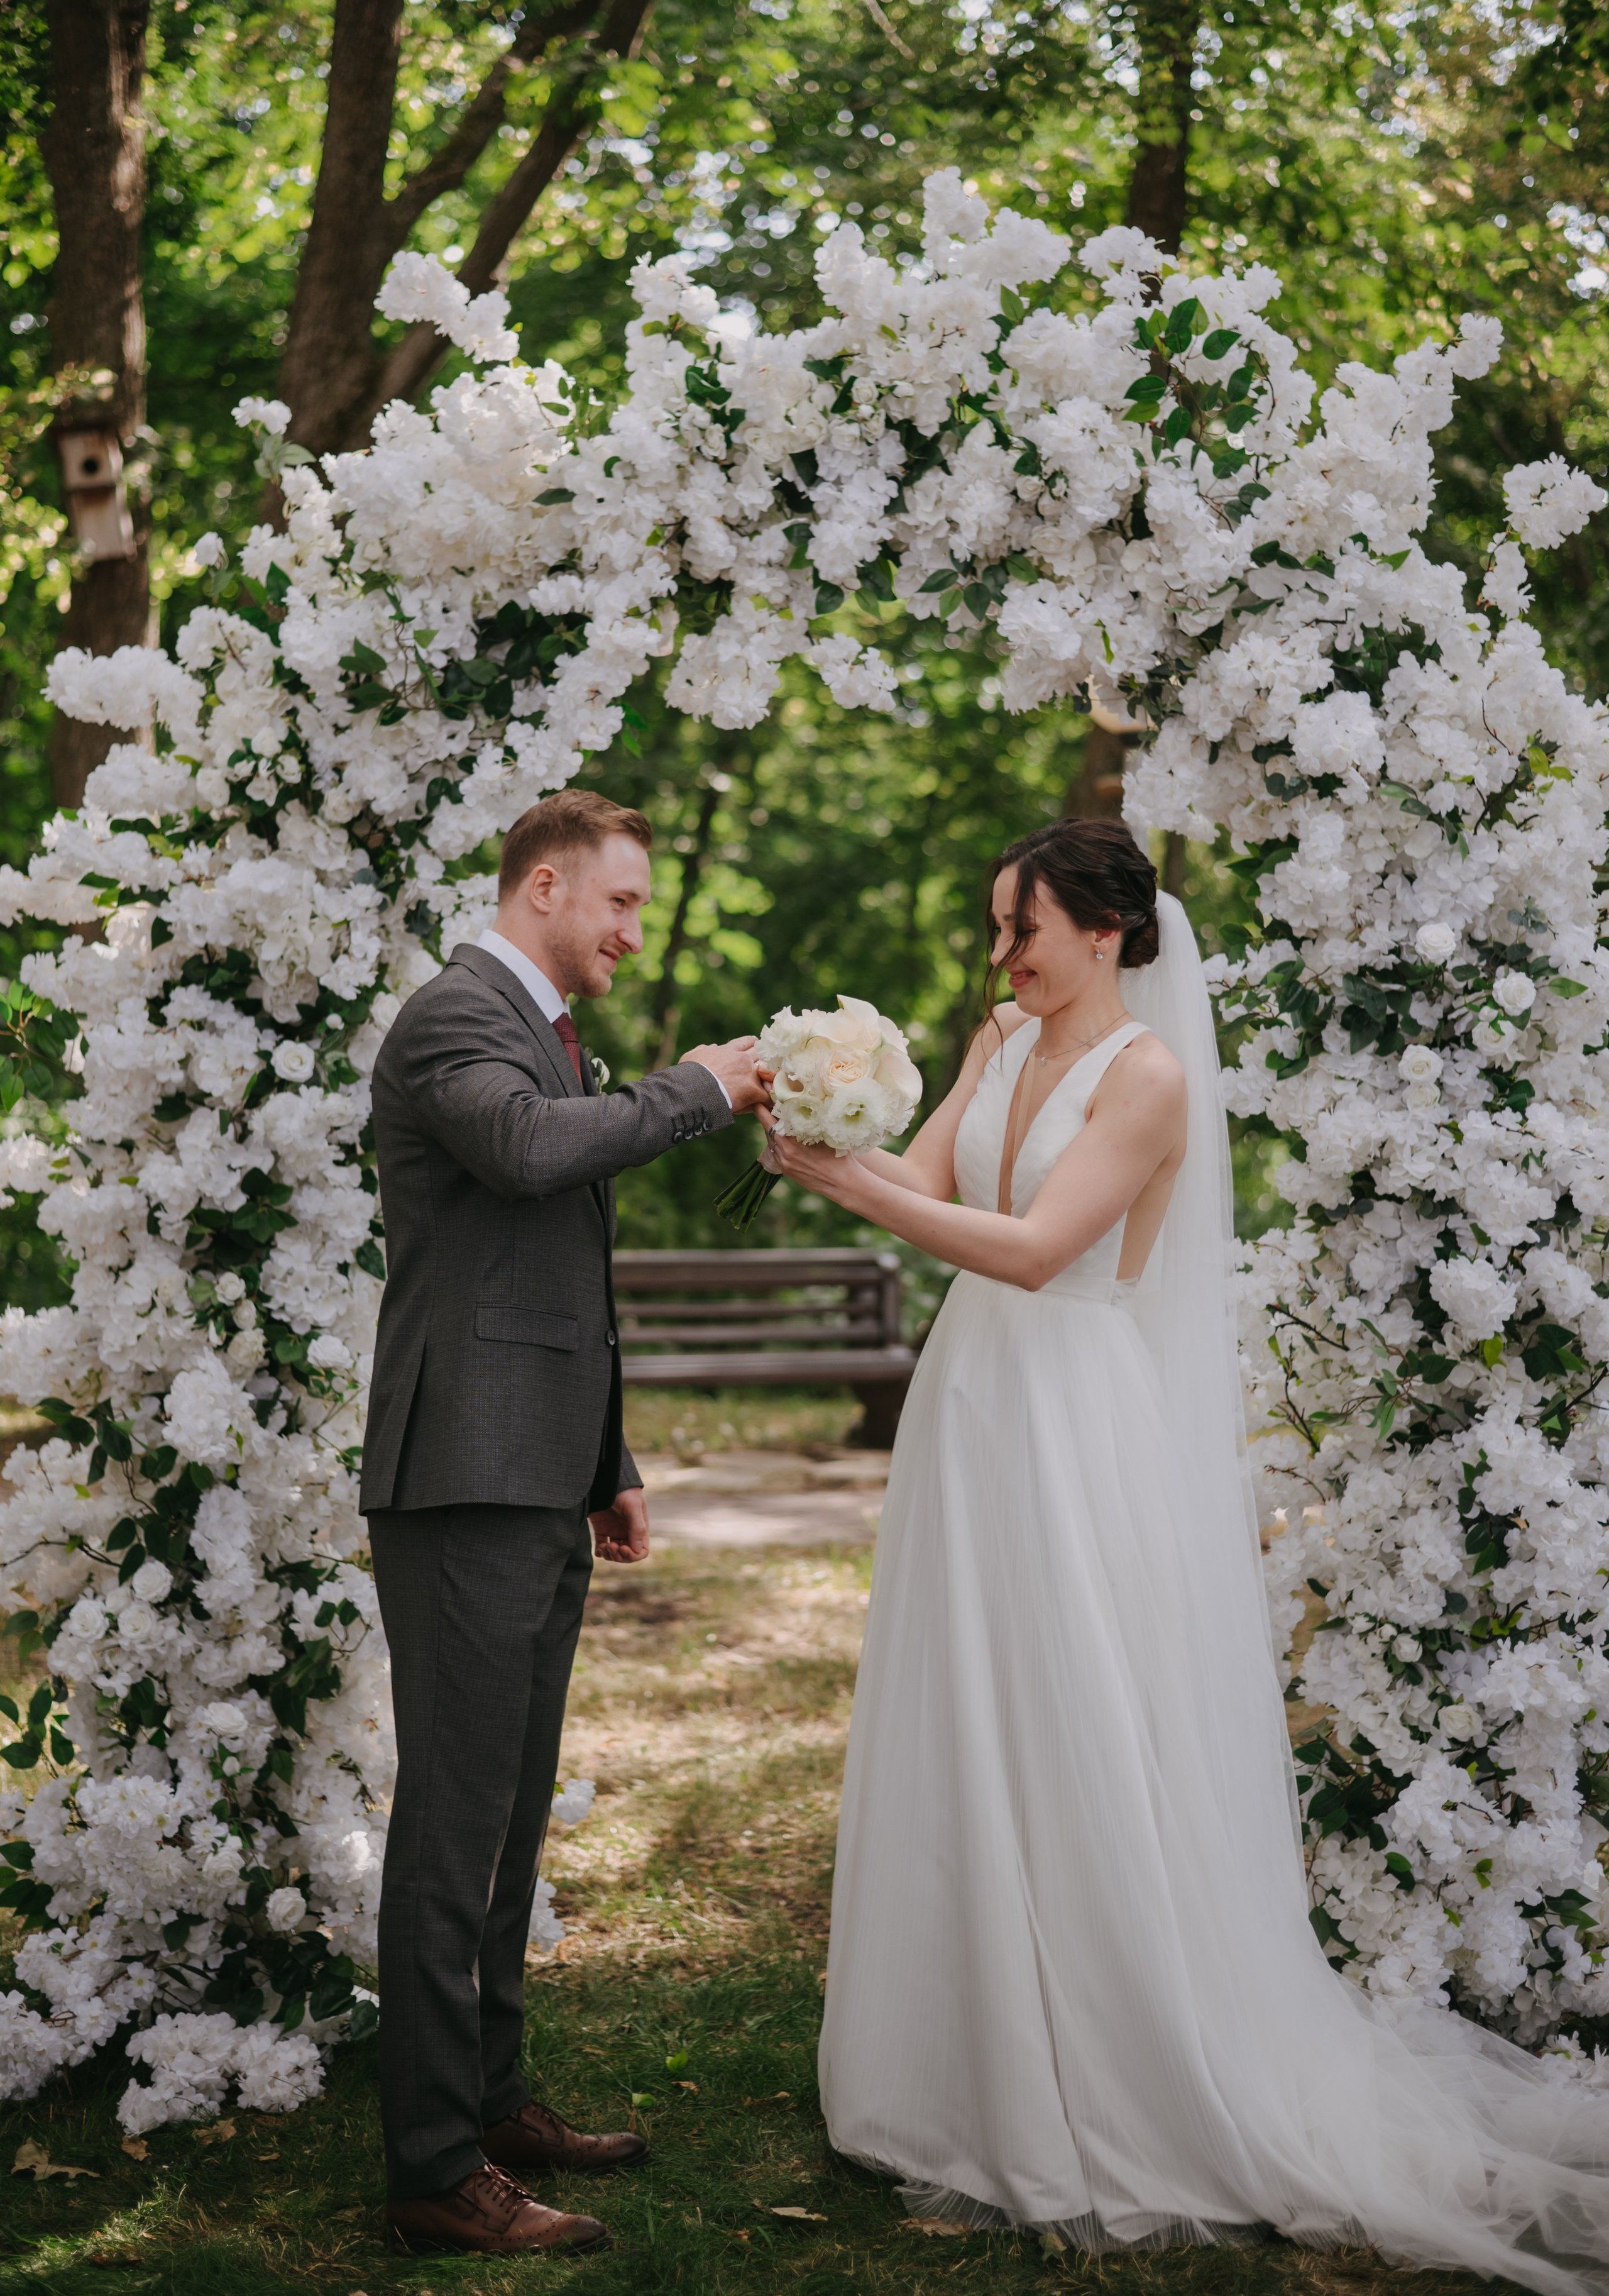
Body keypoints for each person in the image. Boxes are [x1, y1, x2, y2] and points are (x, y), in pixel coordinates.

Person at [768, 816, 1609, 2293]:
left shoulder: (1145, 1078)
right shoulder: (1001, 1035)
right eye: (993, 927)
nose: (1000, 954)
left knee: (1077, 1710)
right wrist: (830, 1129)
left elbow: (1033, 1249)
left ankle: (1113, 2058)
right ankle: (966, 2052)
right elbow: (925, 1176)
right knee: (973, 1710)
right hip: (970, 1402)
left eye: (1020, 928)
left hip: (1066, 1402)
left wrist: (856, 1193)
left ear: (1104, 931)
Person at [360, 788, 767, 2258]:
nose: (631, 930)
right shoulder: (451, 1016)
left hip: (534, 1471)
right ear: (544, 884)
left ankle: (495, 2097)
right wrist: (704, 1087)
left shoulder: (545, 1030)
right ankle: (428, 2162)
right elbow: (533, 1155)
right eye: (620, 903)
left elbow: (549, 1280)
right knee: (453, 1822)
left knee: (513, 1818)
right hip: (461, 1477)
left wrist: (609, 1460)